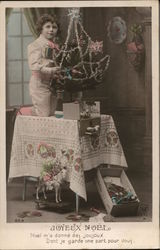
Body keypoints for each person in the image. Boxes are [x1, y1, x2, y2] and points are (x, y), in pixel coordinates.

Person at [28, 14, 61, 116]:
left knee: (51, 114)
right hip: (40, 84)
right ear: (41, 29)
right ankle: (31, 115)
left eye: (54, 27)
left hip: (53, 84)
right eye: (48, 26)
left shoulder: (56, 46)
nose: (51, 30)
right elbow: (34, 66)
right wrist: (52, 70)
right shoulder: (35, 45)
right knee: (44, 115)